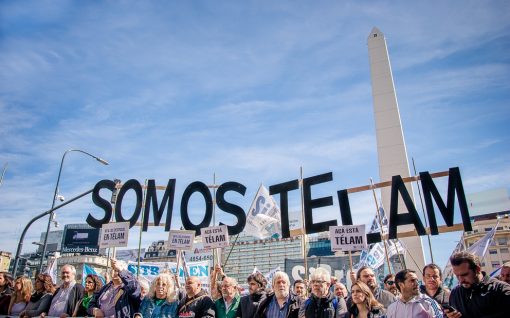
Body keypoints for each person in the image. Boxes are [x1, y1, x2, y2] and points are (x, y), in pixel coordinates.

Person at [446, 251, 510, 318]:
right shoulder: (455, 293)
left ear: (477, 269)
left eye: (464, 275)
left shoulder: (501, 290)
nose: (461, 280)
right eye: (457, 276)